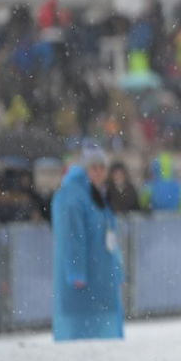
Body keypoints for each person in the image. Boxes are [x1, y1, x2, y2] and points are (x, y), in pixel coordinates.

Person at [51, 144, 124, 342]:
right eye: (94, 167)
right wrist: (76, 272)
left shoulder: (98, 195)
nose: (99, 172)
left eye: (102, 167)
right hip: (84, 286)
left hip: (101, 279)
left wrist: (117, 269)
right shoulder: (72, 196)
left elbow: (110, 238)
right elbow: (71, 237)